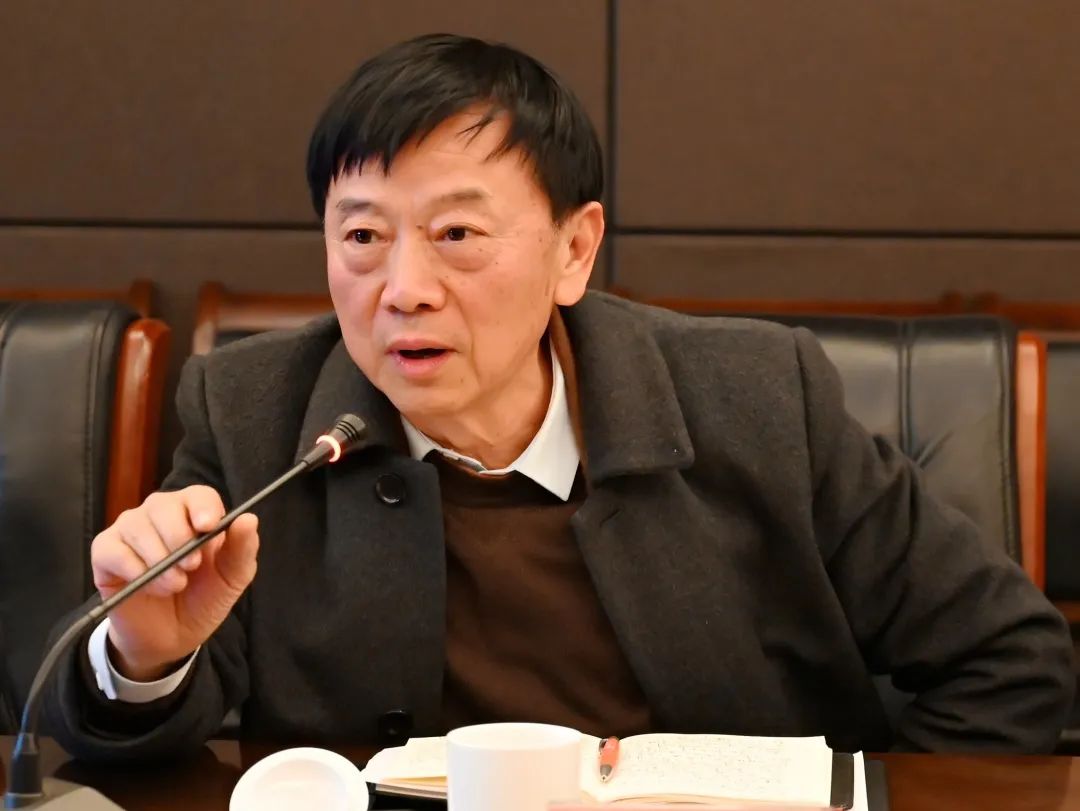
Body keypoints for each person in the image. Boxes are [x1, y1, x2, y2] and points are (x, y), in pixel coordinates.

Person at [44, 33, 1072, 762]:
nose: (403, 287)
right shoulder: (254, 412)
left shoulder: (760, 396)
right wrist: (144, 654)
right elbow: (108, 737)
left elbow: (1009, 662)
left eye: (456, 234)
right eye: (362, 235)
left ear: (574, 250)